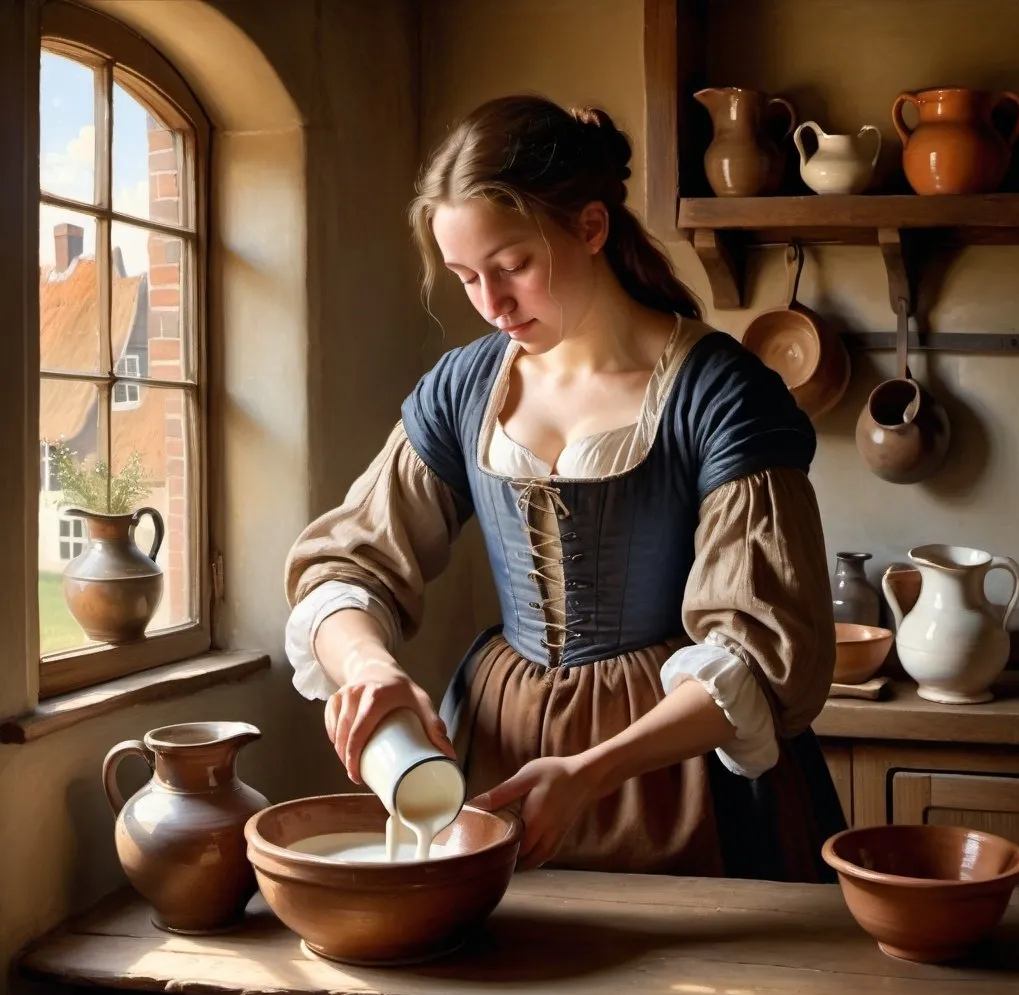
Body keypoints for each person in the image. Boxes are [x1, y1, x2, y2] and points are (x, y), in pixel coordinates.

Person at [284, 94, 846, 880]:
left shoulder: (721, 394)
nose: (491, 303)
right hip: (496, 753)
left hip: (677, 772)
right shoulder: (464, 389)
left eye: (513, 265)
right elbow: (349, 565)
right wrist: (370, 668)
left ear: (589, 227)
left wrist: (592, 772)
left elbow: (758, 650)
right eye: (465, 276)